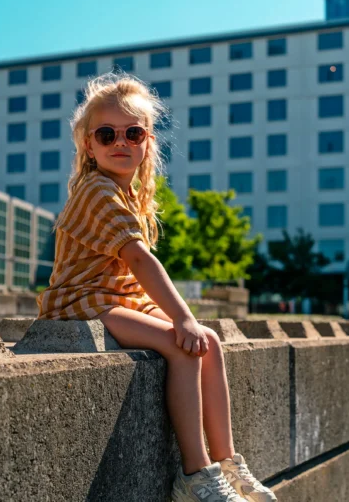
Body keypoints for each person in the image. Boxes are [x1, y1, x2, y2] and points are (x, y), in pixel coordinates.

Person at [36, 71, 277, 502]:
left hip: (117, 298)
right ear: (88, 146)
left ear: (148, 141)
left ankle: (227, 464)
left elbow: (135, 271)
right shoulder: (96, 190)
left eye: (133, 132)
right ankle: (196, 474)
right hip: (81, 300)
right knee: (181, 342)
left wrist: (191, 324)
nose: (120, 142)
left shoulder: (127, 193)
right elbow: (139, 259)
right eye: (106, 134)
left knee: (210, 343)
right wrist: (182, 317)